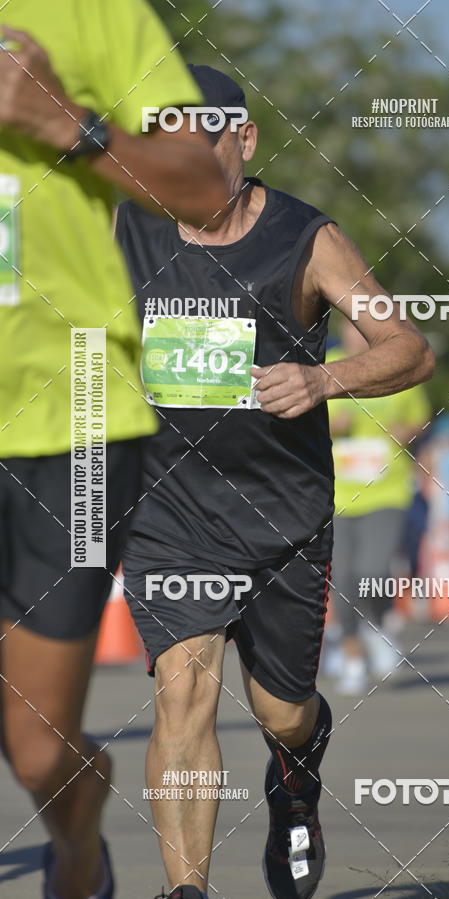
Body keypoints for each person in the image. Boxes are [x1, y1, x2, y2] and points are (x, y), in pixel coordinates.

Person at [116, 66, 434, 899]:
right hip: (168, 511)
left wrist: (324, 379)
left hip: (283, 514)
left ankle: (296, 782)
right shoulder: (124, 228)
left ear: (244, 140)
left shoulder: (305, 238)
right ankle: (187, 889)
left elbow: (409, 348)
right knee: (183, 693)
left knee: (283, 713)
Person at [0, 3, 228, 898]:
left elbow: (204, 185)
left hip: (77, 424)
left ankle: (79, 850)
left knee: (36, 747)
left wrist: (64, 121)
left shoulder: (94, 11)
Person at [327, 317, 431, 694]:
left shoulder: (395, 362)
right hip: (337, 494)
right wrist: (327, 425)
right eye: (351, 327)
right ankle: (352, 656)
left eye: (363, 328)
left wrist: (409, 431)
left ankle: (377, 624)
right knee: (342, 578)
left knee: (373, 569)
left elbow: (421, 417)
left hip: (387, 492)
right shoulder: (327, 365)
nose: (357, 334)